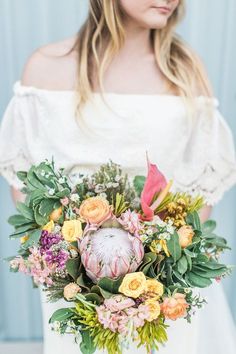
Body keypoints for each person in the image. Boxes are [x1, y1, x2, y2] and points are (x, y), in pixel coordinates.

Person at [0, 0, 236, 353]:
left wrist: (161, 270)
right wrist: (72, 272)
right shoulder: (47, 69)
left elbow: (199, 192)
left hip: (166, 295)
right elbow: (26, 187)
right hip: (76, 289)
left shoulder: (185, 70)